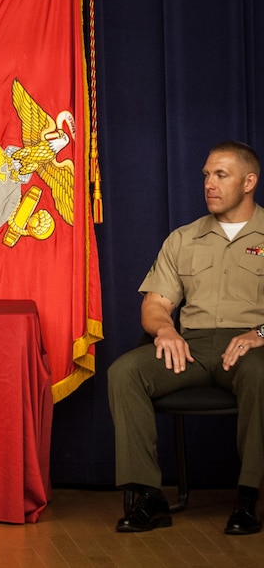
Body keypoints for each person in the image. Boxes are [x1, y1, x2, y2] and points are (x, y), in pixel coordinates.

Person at [109, 140, 264, 535]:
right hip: (191, 347)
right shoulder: (183, 238)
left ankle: (248, 499)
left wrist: (259, 333)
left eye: (221, 175)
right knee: (125, 372)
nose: (209, 184)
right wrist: (165, 330)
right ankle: (149, 496)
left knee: (260, 375)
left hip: (249, 347)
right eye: (206, 176)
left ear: (249, 182)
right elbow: (155, 304)